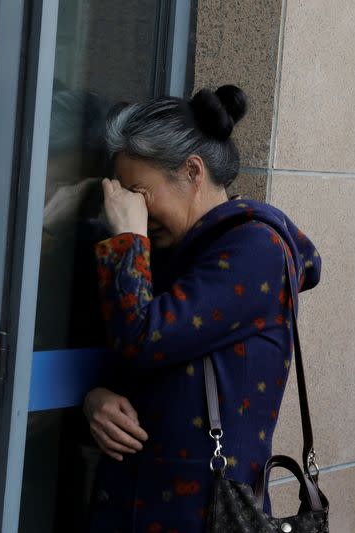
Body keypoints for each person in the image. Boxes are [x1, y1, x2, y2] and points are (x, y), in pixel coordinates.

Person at [83, 85, 322, 532]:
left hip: (198, 516)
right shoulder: (174, 250)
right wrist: (96, 399)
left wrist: (128, 240)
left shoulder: (255, 250)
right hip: (133, 504)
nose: (131, 208)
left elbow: (142, 337)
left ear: (192, 171)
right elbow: (136, 355)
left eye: (139, 191)